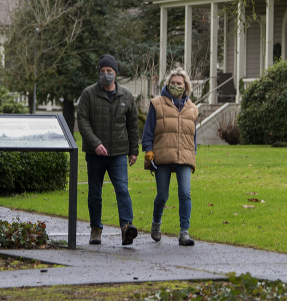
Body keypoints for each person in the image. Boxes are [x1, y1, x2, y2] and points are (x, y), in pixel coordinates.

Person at [76, 53, 139, 245]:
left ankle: (127, 227)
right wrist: (96, 143)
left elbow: (133, 125)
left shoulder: (126, 96)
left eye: (109, 71)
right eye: (102, 71)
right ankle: (96, 229)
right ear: (99, 73)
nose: (106, 74)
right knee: (95, 192)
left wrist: (133, 150)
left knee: (122, 190)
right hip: (95, 154)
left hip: (119, 153)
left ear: (115, 73)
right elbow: (82, 121)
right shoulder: (88, 94)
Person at [142, 66, 198, 246]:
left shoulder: (192, 109)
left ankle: (184, 232)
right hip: (162, 154)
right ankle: (156, 223)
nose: (176, 86)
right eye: (173, 83)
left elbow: (192, 136)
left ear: (185, 86)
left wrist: (193, 155)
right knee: (162, 195)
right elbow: (148, 130)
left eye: (179, 83)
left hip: (184, 156)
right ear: (167, 84)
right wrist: (148, 150)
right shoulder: (157, 104)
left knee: (185, 193)